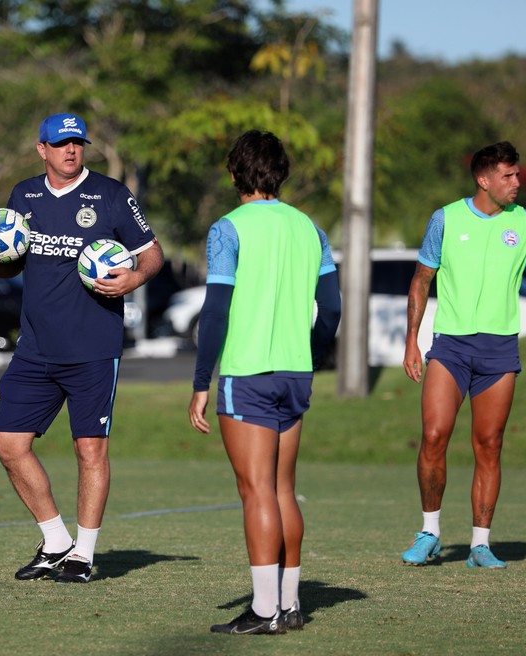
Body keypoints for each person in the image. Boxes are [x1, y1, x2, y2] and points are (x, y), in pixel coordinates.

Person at [0, 112, 164, 583]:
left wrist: (134, 277)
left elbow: (151, 252)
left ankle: (84, 554)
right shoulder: (23, 195)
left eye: (77, 143)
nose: (71, 151)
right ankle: (55, 541)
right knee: (8, 443)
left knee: (89, 449)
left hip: (93, 346)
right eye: (61, 144)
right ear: (42, 149)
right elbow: (10, 268)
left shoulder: (112, 195)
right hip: (34, 348)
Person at [188, 130, 341, 634]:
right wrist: (309, 354)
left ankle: (261, 610)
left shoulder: (227, 230)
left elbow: (215, 312)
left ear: (234, 173)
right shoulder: (309, 228)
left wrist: (200, 380)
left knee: (256, 492)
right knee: (282, 489)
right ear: (281, 172)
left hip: (247, 372)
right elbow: (332, 309)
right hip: (295, 373)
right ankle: (290, 605)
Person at [401, 141, 526, 569]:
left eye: (517, 174)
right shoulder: (445, 218)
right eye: (508, 176)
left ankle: (480, 545)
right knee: (434, 435)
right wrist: (411, 340)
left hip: (499, 350)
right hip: (450, 347)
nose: (517, 183)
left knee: (488, 445)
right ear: (484, 180)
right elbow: (421, 279)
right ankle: (429, 532)